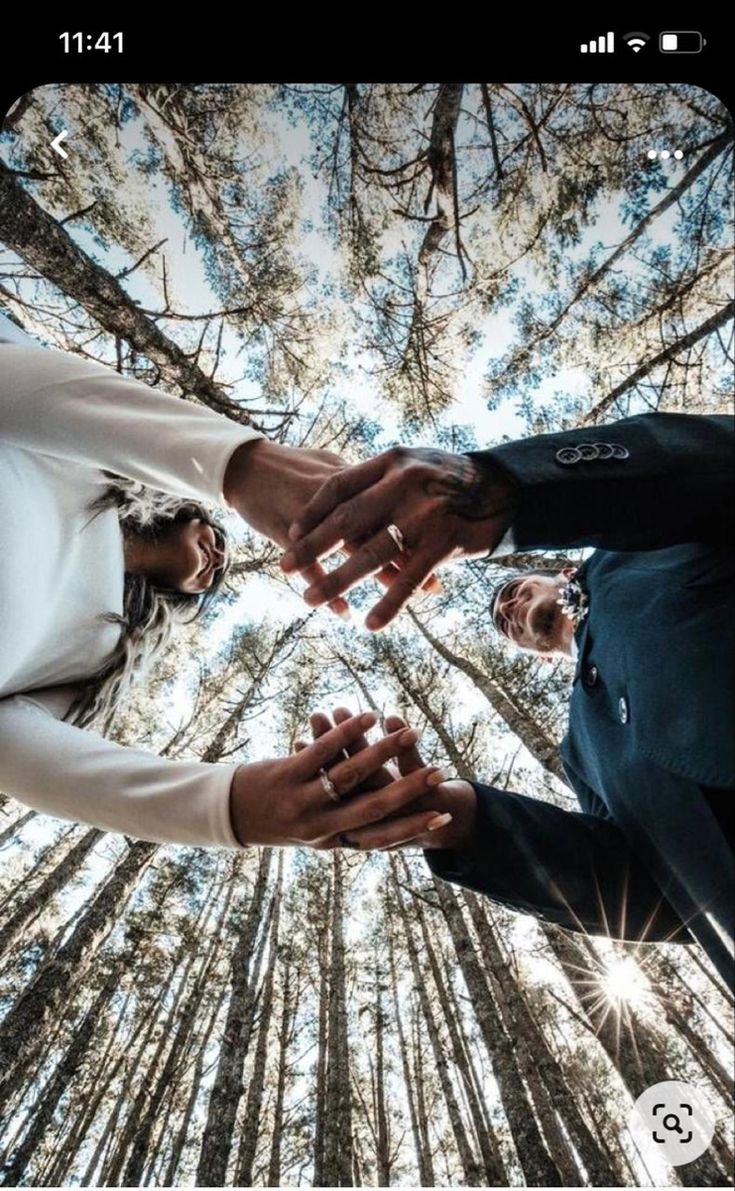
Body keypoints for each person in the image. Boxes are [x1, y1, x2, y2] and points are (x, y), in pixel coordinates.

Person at [283, 412, 735, 988]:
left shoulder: (637, 547)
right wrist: (463, 826)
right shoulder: (582, 748)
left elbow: (709, 462)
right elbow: (649, 893)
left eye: (517, 590)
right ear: (537, 654)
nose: (509, 609)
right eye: (504, 621)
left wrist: (505, 486)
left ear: (560, 572)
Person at [0, 316, 452, 852]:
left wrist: (230, 807)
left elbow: (10, 749)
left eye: (216, 571)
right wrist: (238, 465)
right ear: (181, 507)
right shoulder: (92, 461)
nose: (217, 553)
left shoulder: (103, 653)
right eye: (214, 533)